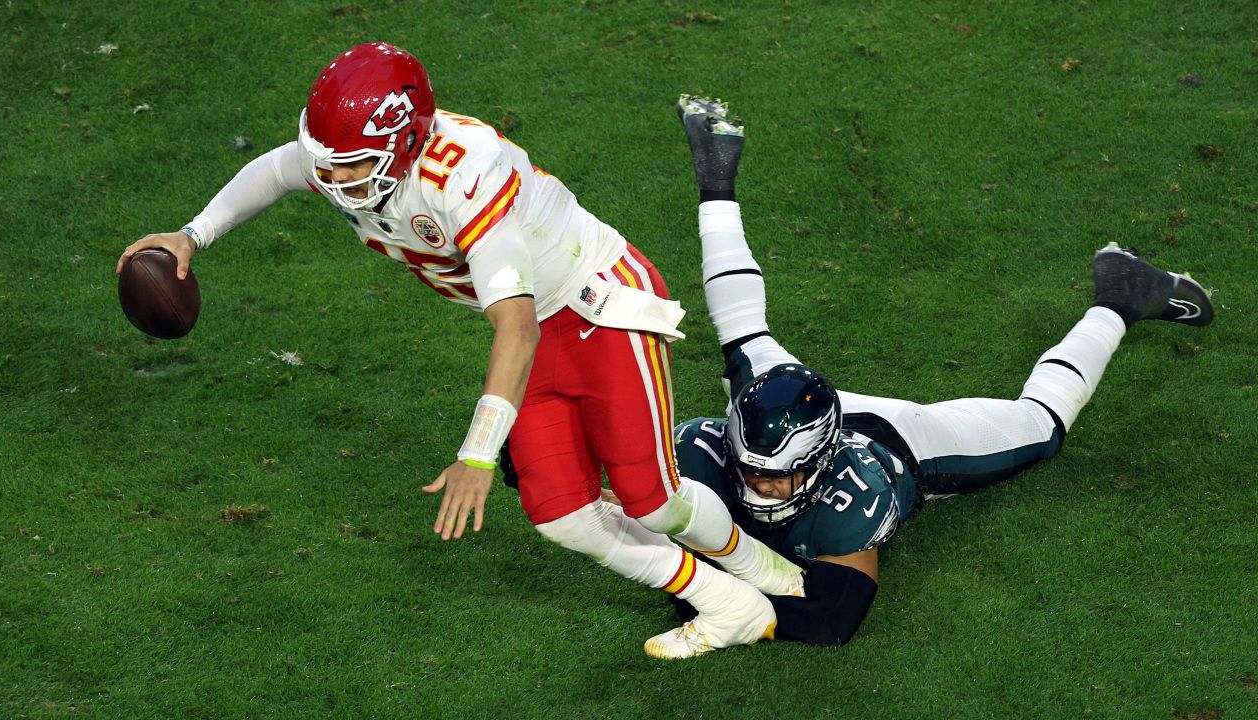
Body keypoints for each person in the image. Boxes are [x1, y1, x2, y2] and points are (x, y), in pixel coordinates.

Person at [114, 44, 805, 657]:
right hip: (536, 322)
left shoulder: (466, 175)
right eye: (330, 164)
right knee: (562, 513)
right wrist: (192, 235)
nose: (334, 182)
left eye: (351, 167)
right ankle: (731, 607)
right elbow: (278, 169)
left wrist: (477, 454)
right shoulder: (353, 157)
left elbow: (518, 325)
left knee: (651, 499)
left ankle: (772, 572)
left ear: (407, 142)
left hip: (598, 306)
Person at [649, 95, 1216, 649]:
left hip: (907, 443)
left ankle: (1121, 294)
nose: (758, 485)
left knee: (1041, 427)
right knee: (744, 339)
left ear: (822, 464)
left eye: (774, 475)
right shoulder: (706, 447)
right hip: (799, 410)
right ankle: (716, 175)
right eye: (749, 468)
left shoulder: (854, 493)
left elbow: (832, 620)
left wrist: (725, 601)